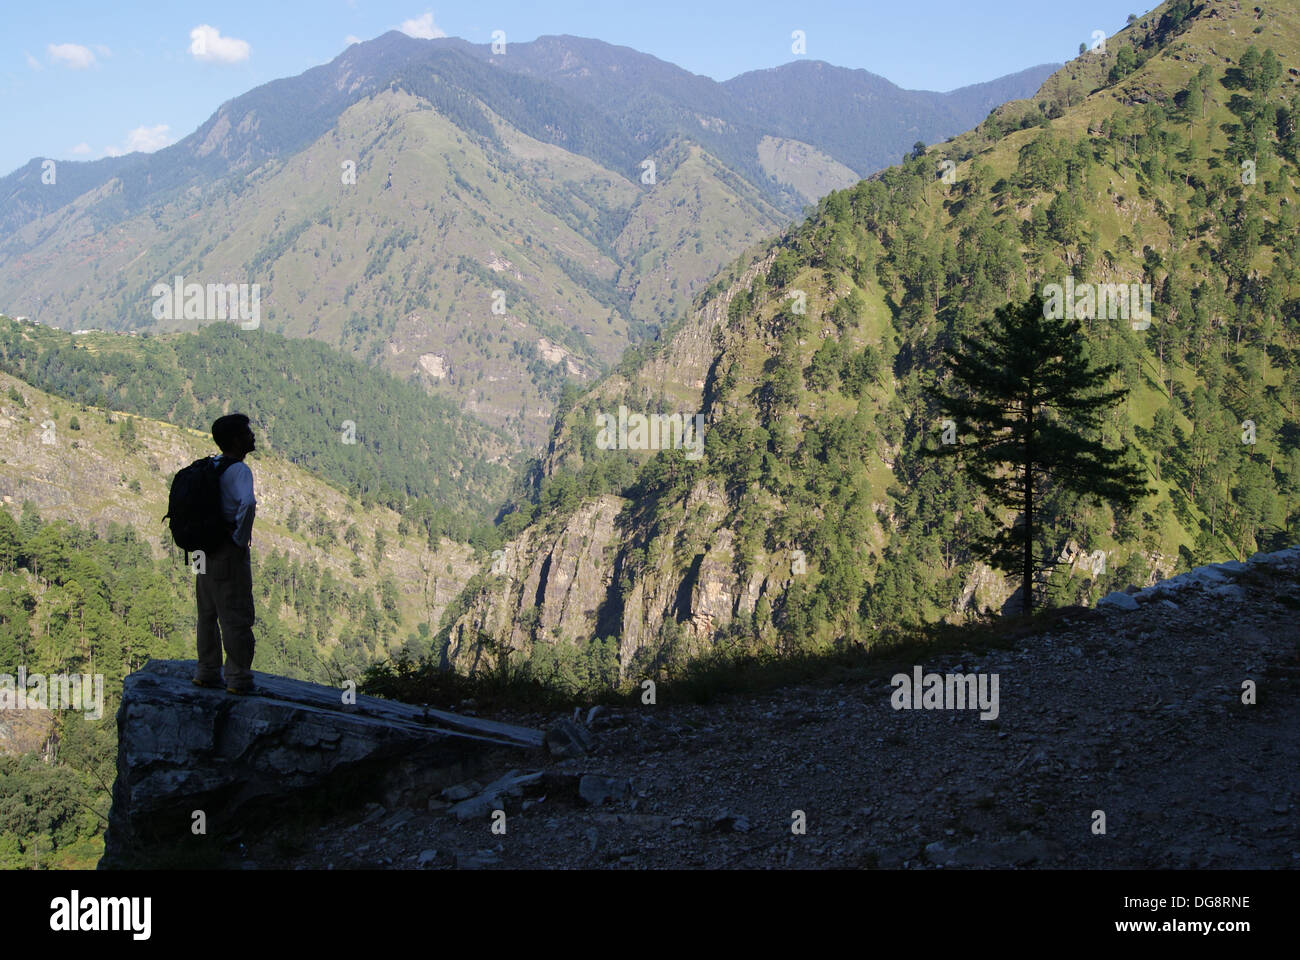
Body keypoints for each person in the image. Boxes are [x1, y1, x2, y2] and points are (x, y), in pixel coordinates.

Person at [192, 413, 259, 695]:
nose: (252, 436)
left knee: (206, 612)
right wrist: (238, 540)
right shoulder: (240, 471)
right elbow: (248, 502)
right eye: (247, 433)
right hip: (225, 553)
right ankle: (238, 678)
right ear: (235, 440)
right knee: (235, 614)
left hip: (200, 551)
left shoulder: (212, 467)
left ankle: (206, 671)